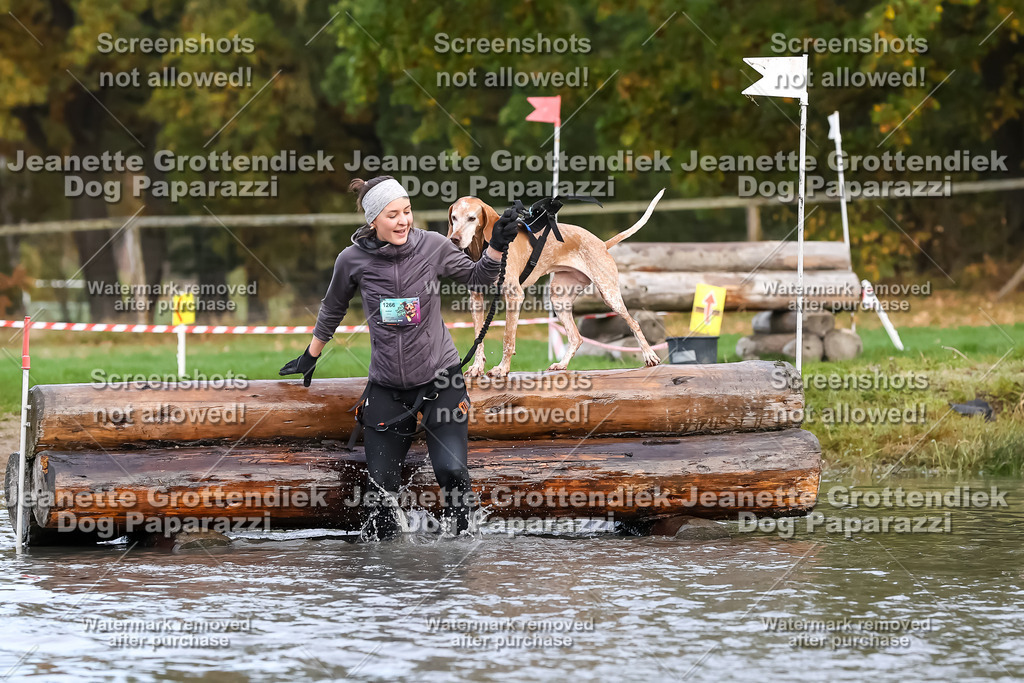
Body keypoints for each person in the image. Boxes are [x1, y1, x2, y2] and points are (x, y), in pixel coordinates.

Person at [279, 175, 520, 539]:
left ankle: (462, 550)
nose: (404, 220)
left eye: (407, 211)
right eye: (393, 214)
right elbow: (332, 307)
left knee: (452, 472)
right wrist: (311, 355)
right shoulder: (352, 259)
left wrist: (497, 248)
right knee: (380, 490)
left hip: (442, 381)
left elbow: (478, 280)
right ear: (373, 220)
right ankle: (389, 564)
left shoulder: (433, 246)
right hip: (388, 387)